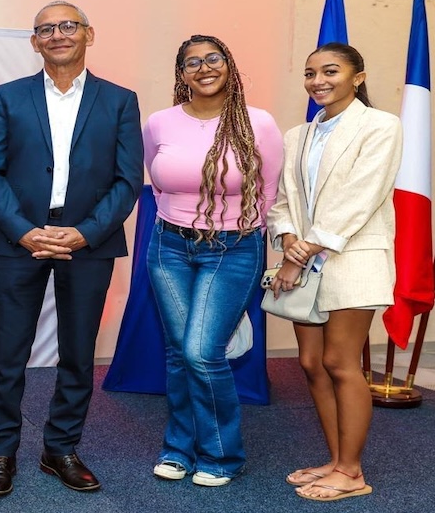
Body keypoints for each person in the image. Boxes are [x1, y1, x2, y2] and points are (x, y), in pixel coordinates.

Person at [0, 0, 144, 497]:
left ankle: (60, 449)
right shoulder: (7, 97)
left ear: (89, 34)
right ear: (34, 42)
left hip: (88, 243)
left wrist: (86, 232)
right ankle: (0, 452)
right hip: (19, 240)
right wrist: (23, 230)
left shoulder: (120, 100)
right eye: (46, 29)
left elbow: (127, 179)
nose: (58, 35)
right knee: (8, 354)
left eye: (68, 25)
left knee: (77, 353)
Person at [144, 35, 283, 487]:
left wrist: (241, 230)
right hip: (168, 246)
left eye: (213, 58)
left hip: (233, 248)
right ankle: (178, 449)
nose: (203, 68)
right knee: (178, 352)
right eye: (192, 63)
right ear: (181, 73)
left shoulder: (258, 123)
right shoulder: (160, 122)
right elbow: (157, 183)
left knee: (202, 352)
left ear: (228, 65)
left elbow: (270, 190)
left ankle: (222, 455)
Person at [266, 42, 402, 502]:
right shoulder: (297, 135)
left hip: (352, 259)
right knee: (311, 363)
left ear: (357, 78)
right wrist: (288, 237)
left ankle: (351, 472)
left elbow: (360, 198)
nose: (317, 81)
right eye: (310, 73)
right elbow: (283, 201)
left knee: (340, 363)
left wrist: (297, 256)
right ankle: (335, 459)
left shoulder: (381, 126)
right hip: (305, 263)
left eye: (330, 71)